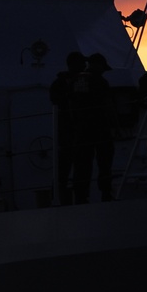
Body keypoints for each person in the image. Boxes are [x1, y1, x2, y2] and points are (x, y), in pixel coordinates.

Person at [69, 53, 115, 202]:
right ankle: (106, 194)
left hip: (80, 128)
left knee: (82, 164)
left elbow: (70, 103)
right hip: (100, 127)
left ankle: (81, 196)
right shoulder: (100, 82)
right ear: (98, 66)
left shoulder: (75, 80)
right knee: (104, 162)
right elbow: (107, 106)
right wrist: (114, 126)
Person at [49, 51, 86, 204]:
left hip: (80, 131)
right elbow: (55, 100)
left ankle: (79, 197)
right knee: (64, 168)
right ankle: (58, 197)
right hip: (67, 131)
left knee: (81, 167)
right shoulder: (59, 84)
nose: (84, 66)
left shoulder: (83, 81)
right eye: (81, 63)